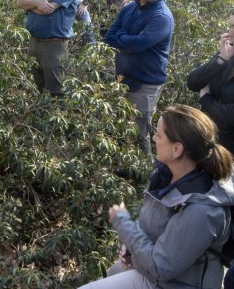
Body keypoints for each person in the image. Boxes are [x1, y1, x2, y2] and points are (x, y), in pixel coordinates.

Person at [78, 104, 234, 289]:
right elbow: (151, 225)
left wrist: (125, 226)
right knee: (112, 273)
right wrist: (130, 248)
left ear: (177, 149)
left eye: (159, 135)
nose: (153, 138)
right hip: (153, 269)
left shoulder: (202, 211)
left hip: (173, 282)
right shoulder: (165, 176)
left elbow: (160, 267)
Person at [106, 0, 174, 154]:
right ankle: (123, 172)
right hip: (123, 80)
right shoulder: (129, 8)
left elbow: (138, 44)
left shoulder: (161, 16)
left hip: (146, 84)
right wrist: (126, 38)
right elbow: (109, 36)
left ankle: (143, 176)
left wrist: (123, 37)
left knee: (139, 132)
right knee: (121, 127)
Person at [16, 0, 79, 95]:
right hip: (34, 41)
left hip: (54, 45)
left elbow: (47, 10)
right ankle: (41, 117)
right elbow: (20, 2)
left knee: (55, 91)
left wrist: (30, 7)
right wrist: (37, 3)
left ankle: (57, 116)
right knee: (39, 88)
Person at [187, 9, 234, 153]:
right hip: (208, 136)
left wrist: (207, 99)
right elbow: (194, 83)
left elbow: (230, 116)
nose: (231, 32)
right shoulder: (229, 54)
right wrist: (220, 59)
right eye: (231, 26)